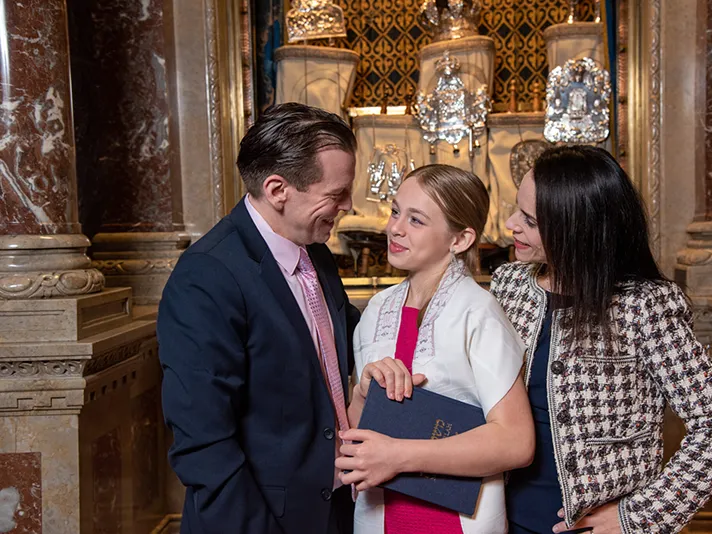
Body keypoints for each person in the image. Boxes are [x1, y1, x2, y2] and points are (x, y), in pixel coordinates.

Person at [491, 145, 712, 534]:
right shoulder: (508, 285)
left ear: (575, 227)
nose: (511, 223)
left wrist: (637, 517)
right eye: (517, 210)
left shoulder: (644, 305)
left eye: (529, 220)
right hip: (497, 517)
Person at [158, 103, 361, 534]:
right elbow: (204, 445)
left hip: (333, 511)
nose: (349, 206)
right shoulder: (207, 276)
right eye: (336, 194)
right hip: (260, 520)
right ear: (277, 189)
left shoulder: (315, 252)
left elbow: (345, 340)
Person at [337, 164, 535, 534]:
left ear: (459, 239)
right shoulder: (377, 309)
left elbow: (516, 441)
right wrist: (363, 393)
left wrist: (398, 457)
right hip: (378, 516)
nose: (395, 228)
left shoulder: (479, 312)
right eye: (396, 212)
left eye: (416, 220)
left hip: (457, 521)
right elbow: (354, 433)